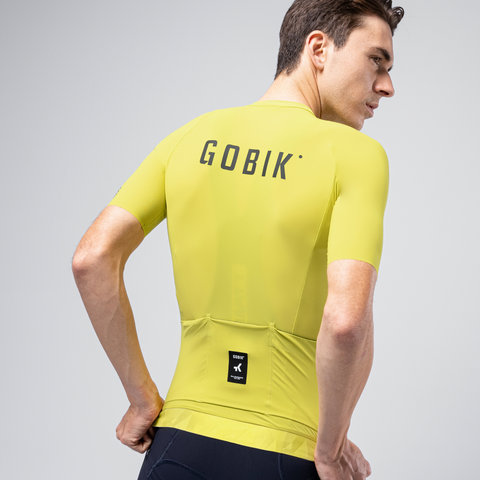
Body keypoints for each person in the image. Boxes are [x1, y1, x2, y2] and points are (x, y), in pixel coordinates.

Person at [72, 0, 404, 478]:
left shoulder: (190, 136)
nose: (387, 85)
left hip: (177, 446)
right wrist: (330, 449)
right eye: (377, 61)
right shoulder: (356, 156)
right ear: (318, 48)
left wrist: (142, 398)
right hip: (286, 453)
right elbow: (347, 321)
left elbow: (92, 258)